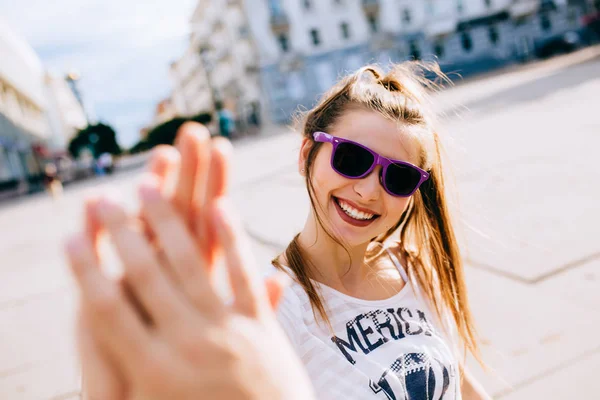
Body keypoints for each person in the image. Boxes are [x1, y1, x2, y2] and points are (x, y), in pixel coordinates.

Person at [66, 61, 491, 399]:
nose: (367, 190)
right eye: (352, 159)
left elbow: (462, 386)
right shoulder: (273, 315)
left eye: (397, 178)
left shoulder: (413, 270)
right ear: (308, 153)